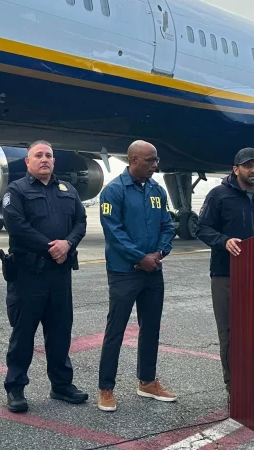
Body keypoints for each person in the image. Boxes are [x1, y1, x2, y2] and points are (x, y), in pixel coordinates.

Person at [195, 147, 254, 398]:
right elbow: (202, 228)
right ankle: (233, 385)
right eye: (249, 166)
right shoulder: (219, 195)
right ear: (236, 169)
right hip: (226, 275)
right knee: (230, 333)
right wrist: (223, 240)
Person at [1, 140, 88, 413]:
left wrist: (68, 244)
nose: (44, 159)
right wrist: (52, 247)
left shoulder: (68, 190)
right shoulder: (16, 190)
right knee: (23, 333)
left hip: (60, 274)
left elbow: (81, 222)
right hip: (29, 274)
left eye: (49, 155)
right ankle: (15, 387)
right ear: (27, 161)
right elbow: (16, 226)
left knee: (60, 331)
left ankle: (61, 385)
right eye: (38, 155)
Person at [96, 140, 177, 412]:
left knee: (151, 327)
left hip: (153, 271)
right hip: (124, 272)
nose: (156, 165)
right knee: (115, 330)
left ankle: (147, 381)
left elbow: (168, 224)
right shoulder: (114, 191)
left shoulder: (157, 190)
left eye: (156, 160)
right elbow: (114, 232)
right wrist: (139, 257)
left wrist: (159, 253)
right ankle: (106, 388)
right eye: (150, 160)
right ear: (133, 160)